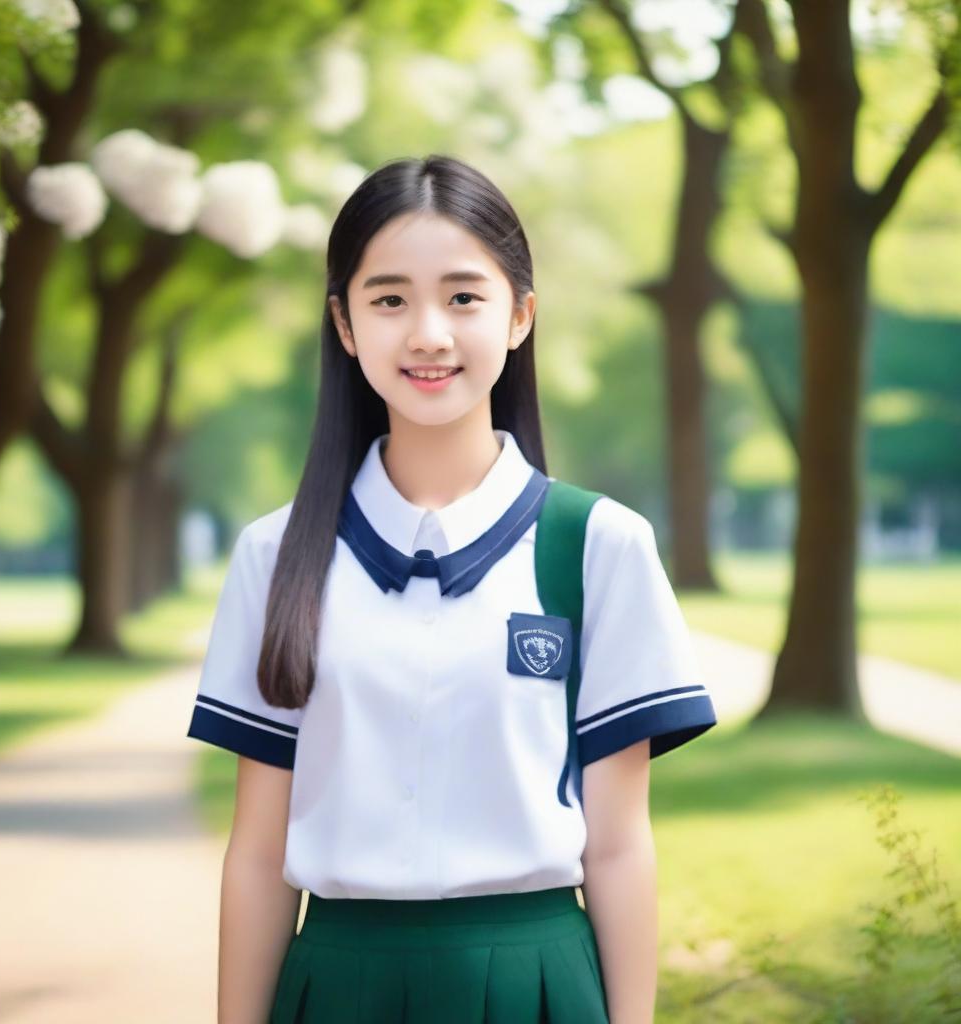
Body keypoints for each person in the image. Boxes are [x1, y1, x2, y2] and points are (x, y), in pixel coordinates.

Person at [186, 154, 718, 1024]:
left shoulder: (595, 547)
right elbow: (256, 853)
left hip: (537, 985)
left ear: (520, 317)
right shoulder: (275, 555)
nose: (428, 333)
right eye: (389, 299)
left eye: (464, 297)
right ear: (345, 325)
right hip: (337, 987)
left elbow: (620, 846)